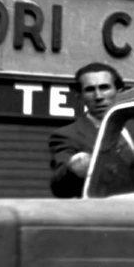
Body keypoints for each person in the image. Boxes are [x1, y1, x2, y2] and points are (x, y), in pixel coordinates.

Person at [48, 62, 123, 198]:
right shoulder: (66, 135)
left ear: (119, 91)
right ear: (79, 96)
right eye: (90, 90)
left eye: (104, 87)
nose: (98, 96)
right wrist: (74, 169)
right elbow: (60, 187)